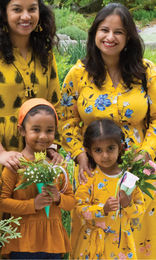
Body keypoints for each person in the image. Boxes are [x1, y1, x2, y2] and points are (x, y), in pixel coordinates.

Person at [60, 3, 156, 258]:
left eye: (119, 32)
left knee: (137, 234)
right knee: (94, 234)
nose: (110, 37)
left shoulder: (146, 72)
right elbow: (66, 120)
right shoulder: (79, 73)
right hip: (93, 168)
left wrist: (145, 154)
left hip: (138, 171)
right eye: (104, 30)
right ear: (94, 34)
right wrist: (81, 156)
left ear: (129, 37)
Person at [0, 0, 62, 174]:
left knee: (32, 201)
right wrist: (0, 153)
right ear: (3, 13)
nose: (26, 16)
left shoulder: (45, 55)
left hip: (34, 153)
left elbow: (54, 106)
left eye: (32, 9)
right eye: (17, 9)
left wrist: (51, 145)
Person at [0, 98, 76, 259]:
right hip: (23, 243)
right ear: (22, 131)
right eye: (36, 130)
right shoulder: (16, 165)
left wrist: (58, 197)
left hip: (53, 243)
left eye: (49, 130)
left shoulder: (57, 165)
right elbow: (1, 202)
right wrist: (33, 204)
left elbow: (71, 202)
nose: (43, 136)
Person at [73, 119, 145, 259]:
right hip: (93, 245)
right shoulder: (89, 178)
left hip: (121, 247)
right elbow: (79, 209)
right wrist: (102, 209)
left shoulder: (128, 178)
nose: (105, 155)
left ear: (121, 147)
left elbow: (140, 211)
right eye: (98, 150)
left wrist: (127, 205)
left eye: (110, 148)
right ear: (89, 151)